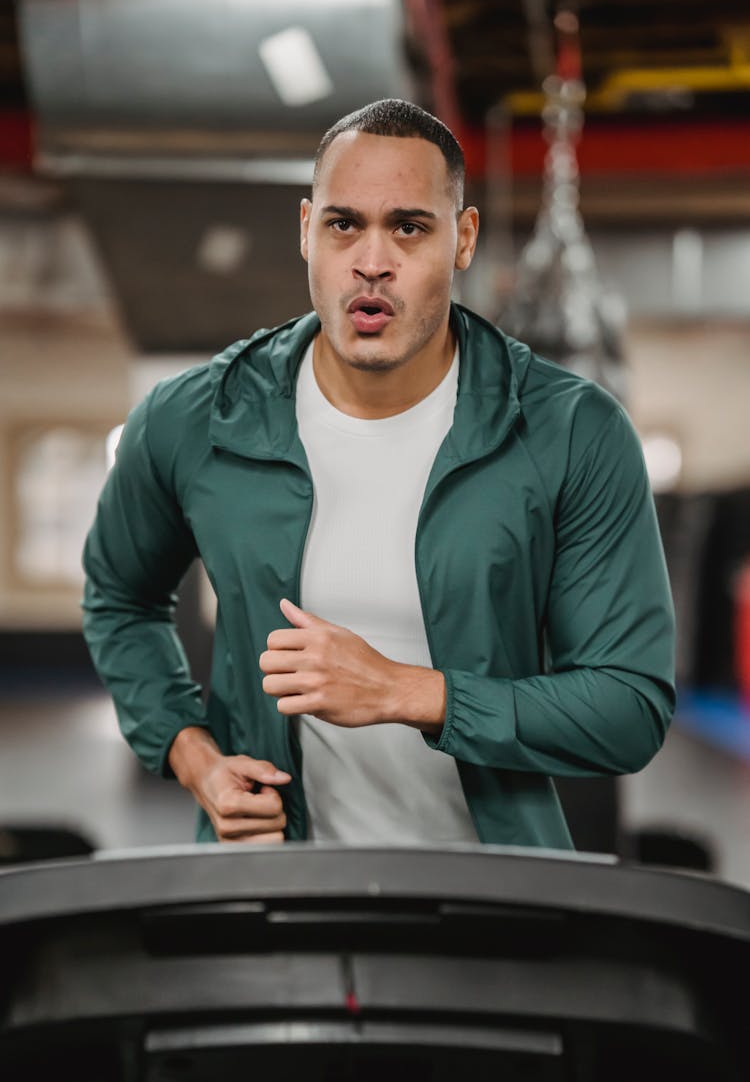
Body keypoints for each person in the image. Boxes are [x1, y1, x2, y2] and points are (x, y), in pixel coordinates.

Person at [82, 98, 675, 849]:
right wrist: (193, 756)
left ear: (462, 239)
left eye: (408, 226)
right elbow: (118, 596)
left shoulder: (572, 433)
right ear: (306, 232)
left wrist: (406, 691)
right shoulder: (194, 419)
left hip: (493, 898)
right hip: (271, 886)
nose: (371, 261)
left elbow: (629, 708)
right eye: (343, 224)